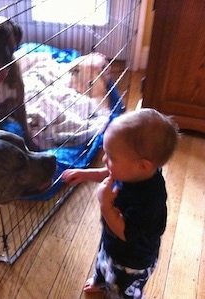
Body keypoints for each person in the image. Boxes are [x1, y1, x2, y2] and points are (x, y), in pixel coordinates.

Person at [62, 108, 179, 298]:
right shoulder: (131, 171)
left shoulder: (149, 200)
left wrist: (105, 205)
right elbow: (106, 173)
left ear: (143, 165)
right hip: (112, 242)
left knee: (122, 289)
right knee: (103, 260)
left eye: (111, 157)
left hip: (131, 260)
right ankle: (100, 282)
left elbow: (126, 232)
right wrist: (84, 174)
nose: (104, 159)